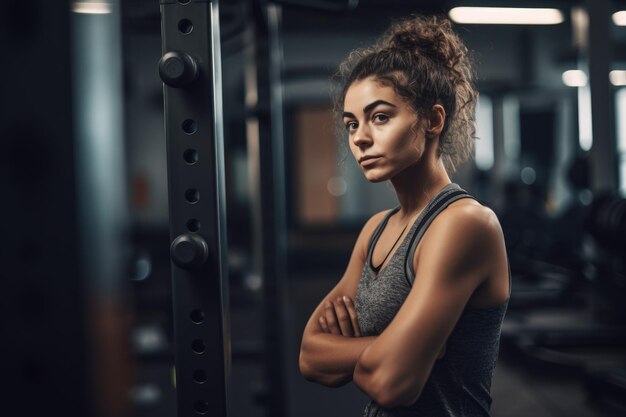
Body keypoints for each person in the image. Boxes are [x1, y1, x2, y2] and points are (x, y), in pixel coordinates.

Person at [298, 14, 510, 417]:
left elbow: (392, 383)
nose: (359, 137)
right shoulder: (374, 231)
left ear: (433, 120)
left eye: (380, 117)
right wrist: (387, 348)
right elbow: (310, 355)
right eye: (351, 123)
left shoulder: (464, 224)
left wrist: (369, 355)